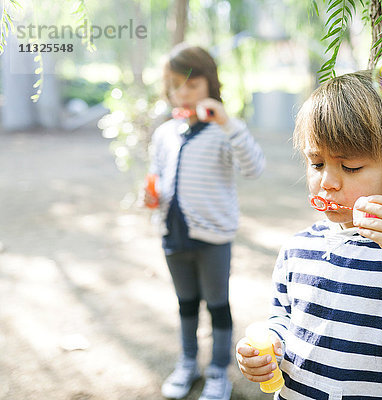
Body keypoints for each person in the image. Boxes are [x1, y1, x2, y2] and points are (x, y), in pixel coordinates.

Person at [235, 70, 382, 399]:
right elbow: (284, 318)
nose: (327, 182)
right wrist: (268, 346)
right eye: (316, 164)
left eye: (351, 167)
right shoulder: (298, 248)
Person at [146, 43, 265, 400]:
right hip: (173, 234)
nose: (183, 93)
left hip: (213, 237)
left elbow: (253, 168)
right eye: (176, 86)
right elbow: (158, 176)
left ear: (211, 86)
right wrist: (148, 197)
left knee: (216, 304)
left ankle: (218, 371)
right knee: (185, 303)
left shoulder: (223, 132)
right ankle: (187, 364)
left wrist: (229, 122)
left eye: (192, 85)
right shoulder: (165, 133)